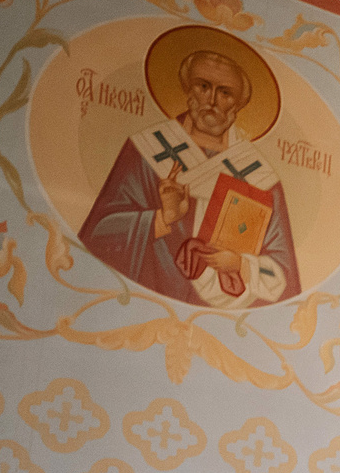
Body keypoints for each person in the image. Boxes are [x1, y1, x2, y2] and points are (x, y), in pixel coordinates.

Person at [81, 43, 300, 309]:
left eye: (225, 93)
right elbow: (99, 233)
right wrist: (163, 218)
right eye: (203, 86)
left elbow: (285, 276)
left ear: (239, 104)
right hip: (140, 302)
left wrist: (241, 265)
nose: (211, 101)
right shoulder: (148, 150)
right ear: (187, 89)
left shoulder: (259, 176)